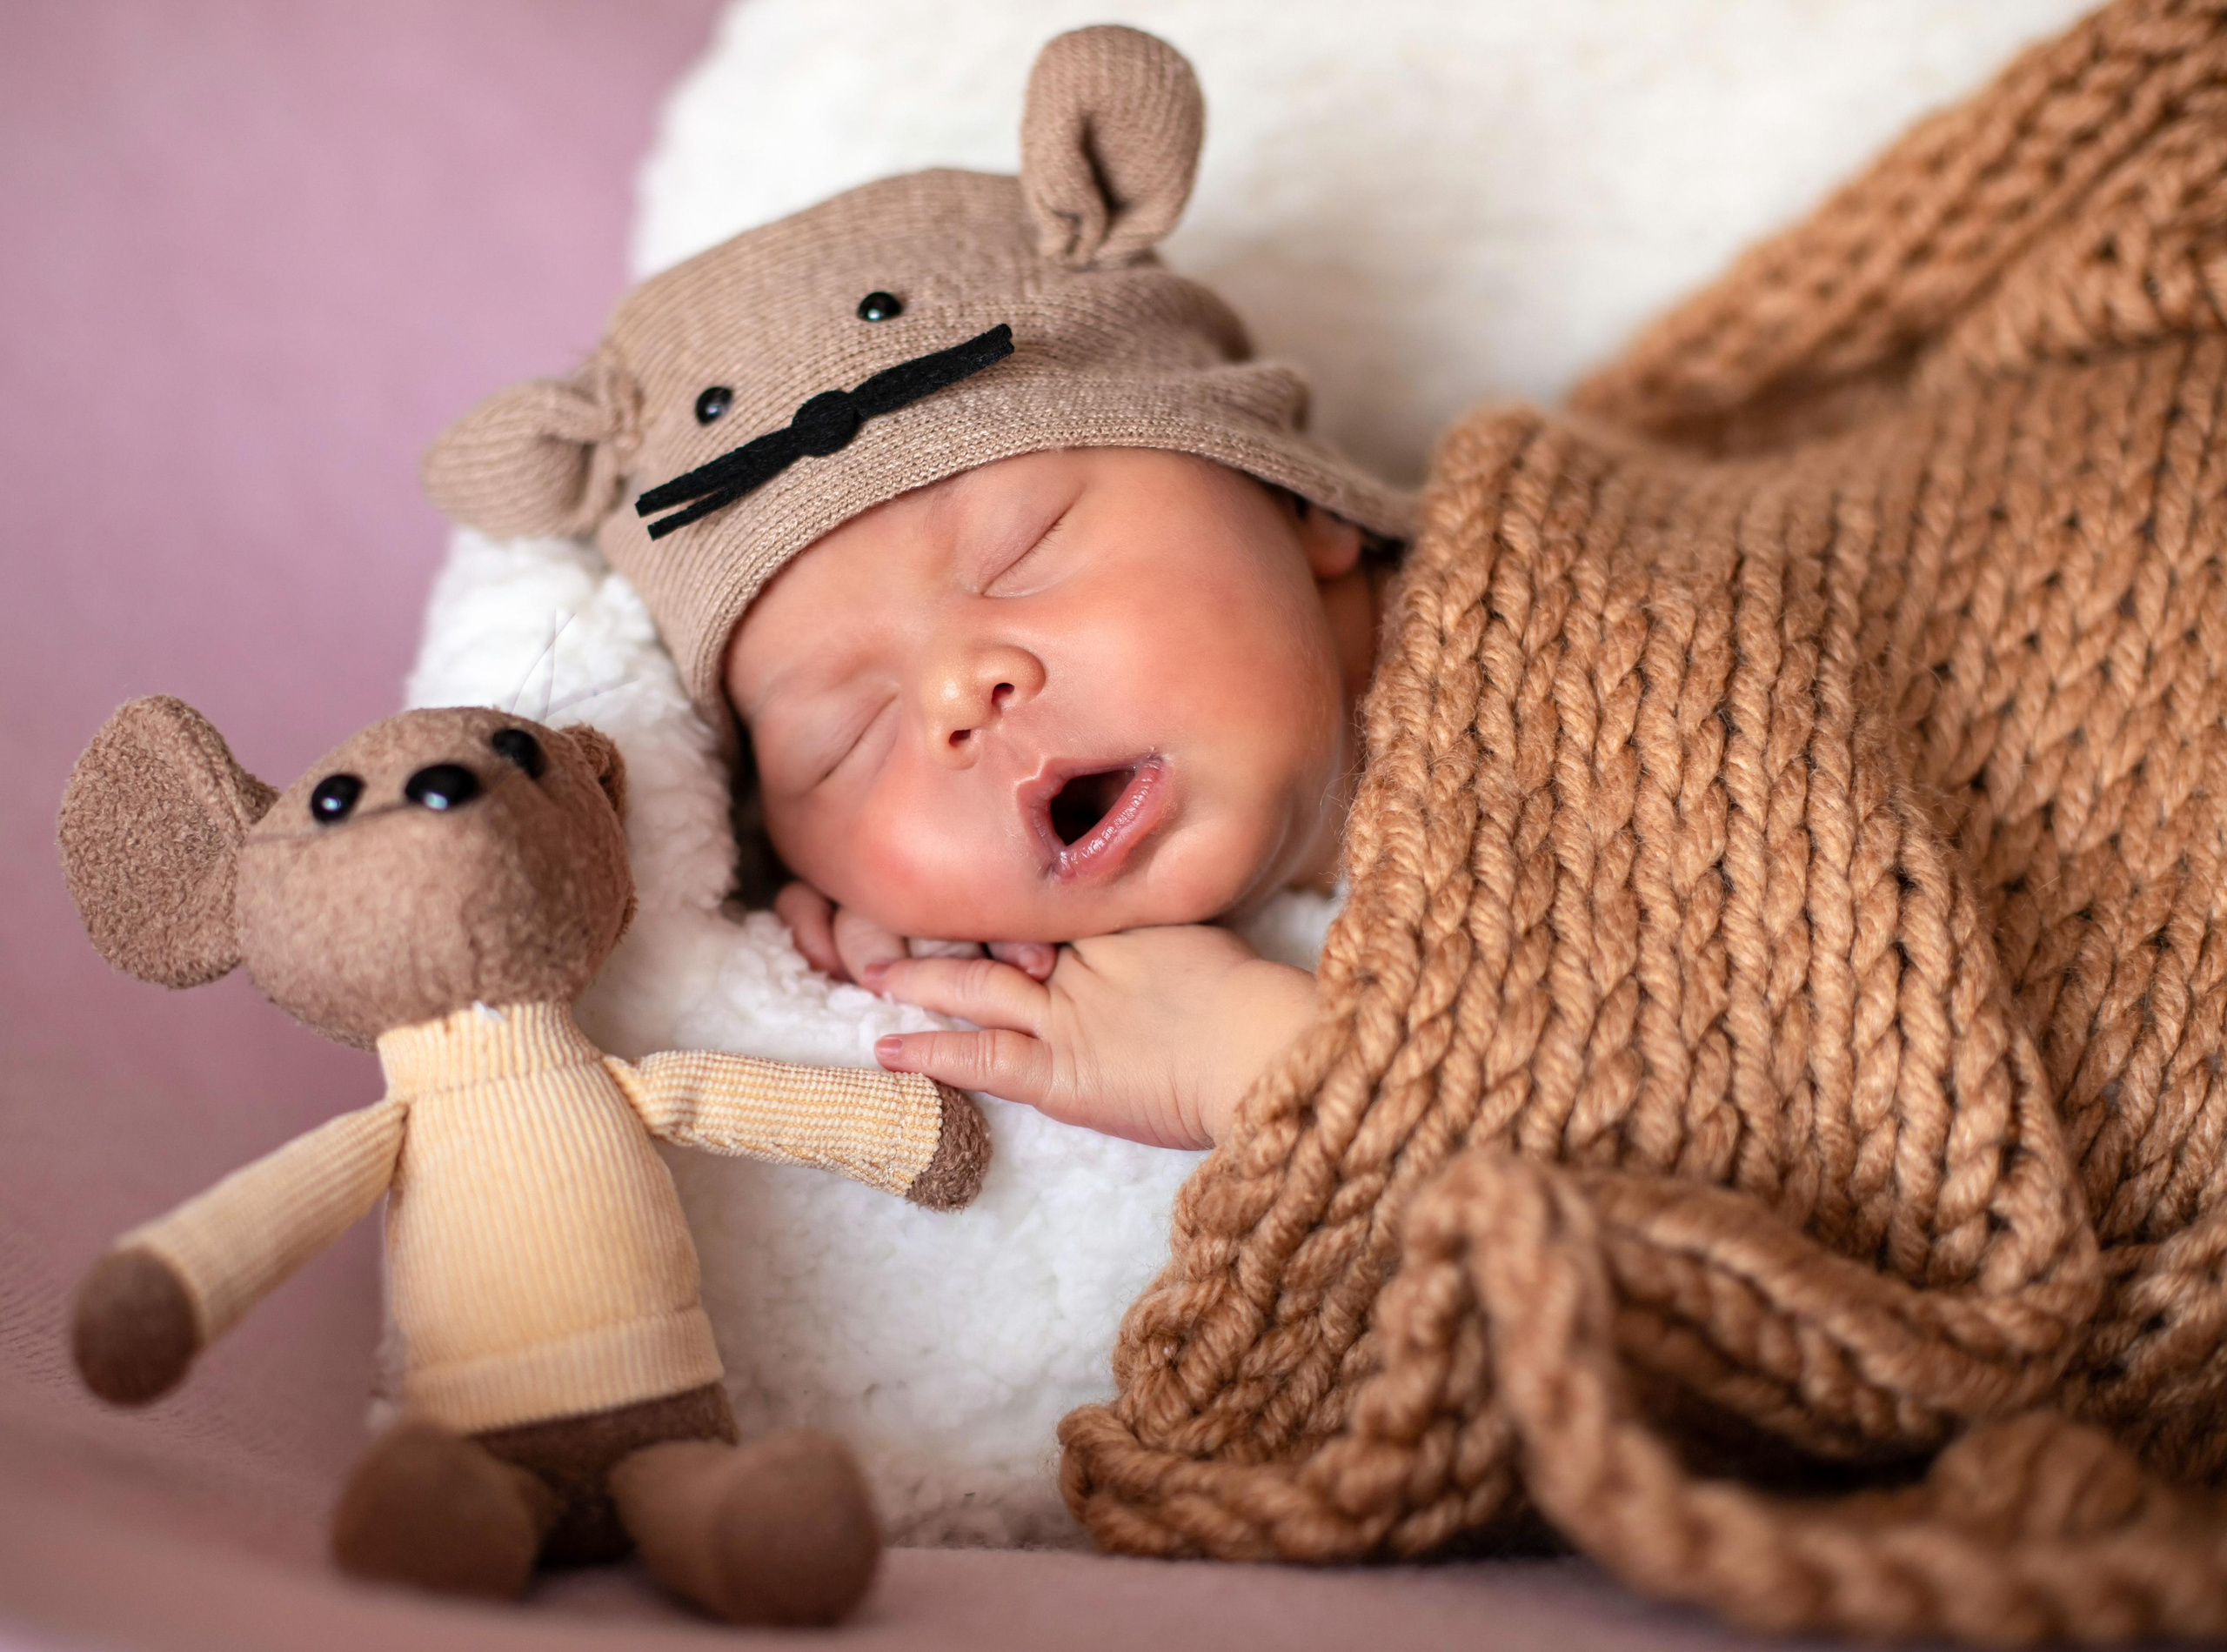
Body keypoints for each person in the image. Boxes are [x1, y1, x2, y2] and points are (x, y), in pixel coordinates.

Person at [424, 25, 1413, 1154]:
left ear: (1303, 503)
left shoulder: (1617, 642)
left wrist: (1282, 1079)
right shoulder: (1010, 1049)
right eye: (841, 738)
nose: (955, 693)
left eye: (1022, 550)